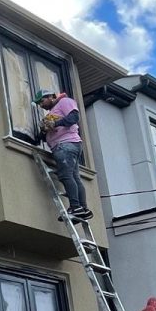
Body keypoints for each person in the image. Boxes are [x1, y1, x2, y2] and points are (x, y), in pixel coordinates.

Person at [34, 89, 93, 221]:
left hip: (65, 145)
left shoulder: (65, 102)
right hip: (68, 145)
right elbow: (54, 129)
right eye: (38, 103)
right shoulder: (52, 113)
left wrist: (55, 123)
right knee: (74, 177)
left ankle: (75, 207)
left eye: (41, 101)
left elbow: (74, 118)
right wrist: (44, 131)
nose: (41, 105)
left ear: (50, 97)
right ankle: (83, 209)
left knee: (66, 176)